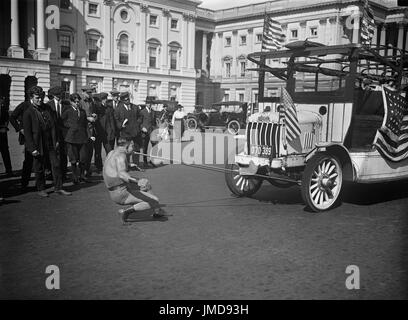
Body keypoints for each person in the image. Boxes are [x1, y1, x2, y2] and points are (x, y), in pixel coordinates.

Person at [103, 137, 165, 224]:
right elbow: (122, 174)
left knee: (146, 184)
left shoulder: (112, 153)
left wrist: (129, 165)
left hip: (117, 188)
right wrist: (137, 181)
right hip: (121, 193)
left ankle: (157, 211)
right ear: (126, 146)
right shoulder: (121, 156)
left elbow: (113, 168)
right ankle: (125, 212)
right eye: (132, 146)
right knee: (154, 200)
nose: (134, 149)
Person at [23, 86, 71, 197]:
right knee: (39, 168)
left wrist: (56, 140)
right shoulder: (28, 112)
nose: (39, 100)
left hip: (50, 142)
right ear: (31, 97)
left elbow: (53, 125)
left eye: (41, 97)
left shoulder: (47, 108)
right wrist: (32, 149)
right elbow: (28, 133)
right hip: (37, 144)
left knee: (56, 165)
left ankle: (58, 188)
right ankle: (41, 188)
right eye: (37, 98)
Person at [62, 93, 90, 184]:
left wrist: (89, 135)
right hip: (72, 138)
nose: (77, 103)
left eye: (78, 102)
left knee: (83, 158)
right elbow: (61, 121)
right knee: (73, 159)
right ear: (71, 102)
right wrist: (70, 126)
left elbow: (85, 124)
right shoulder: (68, 111)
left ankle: (82, 176)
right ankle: (74, 177)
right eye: (75, 102)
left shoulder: (82, 112)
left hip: (82, 138)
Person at [114, 92, 143, 170]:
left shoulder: (135, 107)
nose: (128, 101)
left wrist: (137, 123)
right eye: (126, 100)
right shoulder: (118, 109)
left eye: (128, 99)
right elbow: (116, 120)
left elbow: (140, 116)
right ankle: (126, 166)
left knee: (136, 149)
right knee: (126, 150)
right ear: (123, 101)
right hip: (125, 133)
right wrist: (120, 125)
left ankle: (136, 165)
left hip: (135, 132)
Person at [9, 97, 33, 191]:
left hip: (38, 136)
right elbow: (12, 117)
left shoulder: (41, 106)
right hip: (27, 136)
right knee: (28, 159)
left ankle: (41, 185)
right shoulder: (24, 105)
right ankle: (24, 183)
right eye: (38, 97)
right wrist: (20, 129)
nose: (41, 99)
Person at [46, 86, 69, 181]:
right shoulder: (48, 105)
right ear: (53, 95)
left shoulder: (66, 104)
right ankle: (51, 174)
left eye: (61, 95)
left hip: (64, 134)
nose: (59, 97)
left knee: (64, 154)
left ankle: (63, 174)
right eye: (57, 95)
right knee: (53, 154)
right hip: (52, 133)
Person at [93, 92, 116, 172]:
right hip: (98, 133)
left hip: (107, 133)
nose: (105, 101)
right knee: (98, 151)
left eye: (105, 99)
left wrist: (112, 131)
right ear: (100, 100)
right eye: (103, 99)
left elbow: (111, 121)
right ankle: (98, 166)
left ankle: (109, 166)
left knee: (109, 151)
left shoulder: (109, 108)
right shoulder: (96, 108)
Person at [80, 86, 97, 177]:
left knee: (90, 151)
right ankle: (82, 171)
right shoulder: (80, 102)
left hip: (92, 129)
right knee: (84, 152)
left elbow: (92, 112)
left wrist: (94, 116)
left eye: (90, 93)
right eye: (88, 93)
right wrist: (87, 118)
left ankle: (87, 168)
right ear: (83, 92)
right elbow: (78, 115)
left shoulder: (91, 102)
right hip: (84, 130)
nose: (90, 94)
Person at [139, 102, 157, 167]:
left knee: (154, 146)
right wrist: (142, 127)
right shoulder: (142, 112)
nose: (149, 104)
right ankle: (145, 162)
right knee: (145, 147)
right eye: (148, 103)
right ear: (146, 104)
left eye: (150, 103)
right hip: (145, 132)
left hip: (152, 132)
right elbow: (139, 122)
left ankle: (152, 161)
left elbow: (154, 123)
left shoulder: (153, 112)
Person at [0, 96, 12, 176]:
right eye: (2, 99)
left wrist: (5, 127)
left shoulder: (3, 108)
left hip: (3, 134)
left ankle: (9, 170)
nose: (3, 101)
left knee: (5, 152)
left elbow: (7, 118)